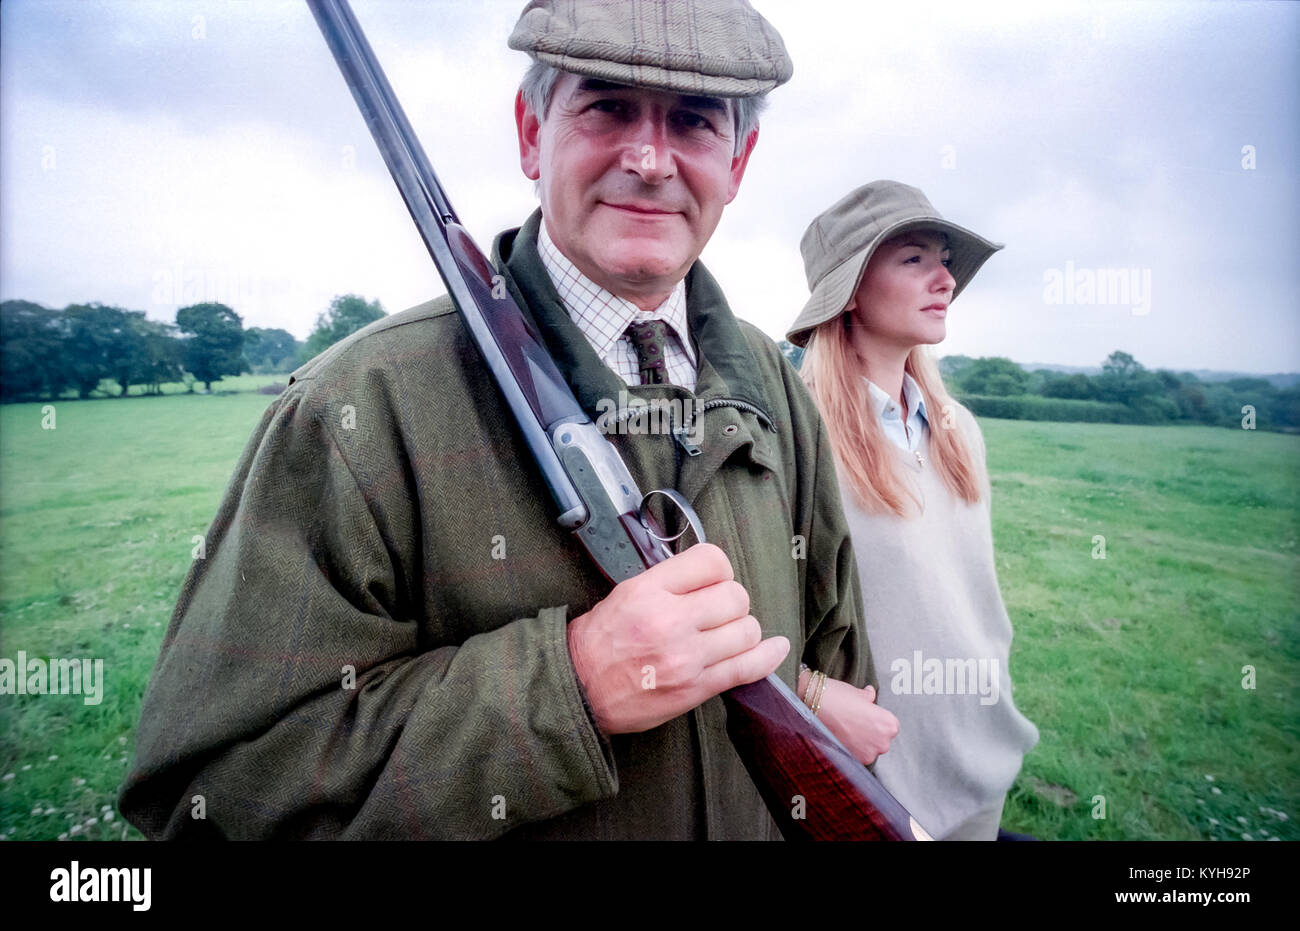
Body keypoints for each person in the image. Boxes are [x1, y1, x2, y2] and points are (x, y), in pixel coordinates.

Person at [119, 0, 888, 840]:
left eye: (696, 122)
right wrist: (567, 688)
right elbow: (214, 794)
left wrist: (804, 698)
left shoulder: (772, 384)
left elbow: (839, 657)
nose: (649, 159)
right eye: (607, 107)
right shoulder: (354, 407)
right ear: (530, 131)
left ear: (738, 162)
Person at [784, 180, 1039, 841]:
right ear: (850, 290)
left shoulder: (961, 431)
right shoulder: (799, 439)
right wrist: (811, 693)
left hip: (982, 767)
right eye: (914, 258)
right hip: (872, 788)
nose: (945, 278)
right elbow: (761, 620)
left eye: (945, 258)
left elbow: (972, 603)